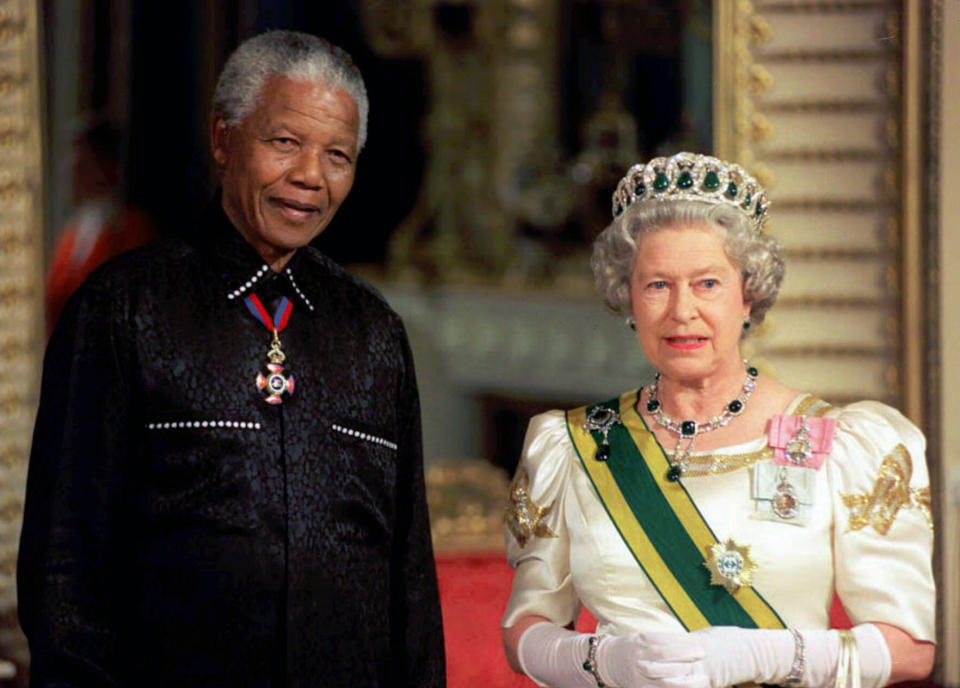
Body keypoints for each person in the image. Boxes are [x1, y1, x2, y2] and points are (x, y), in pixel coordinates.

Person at [19, 30, 444, 686]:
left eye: (337, 154)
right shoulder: (122, 307)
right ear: (223, 140)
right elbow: (64, 569)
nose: (310, 176)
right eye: (284, 142)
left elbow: (410, 583)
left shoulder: (374, 331)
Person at [501, 152, 935, 688]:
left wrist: (761, 655)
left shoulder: (843, 442)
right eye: (657, 284)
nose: (682, 311)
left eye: (707, 283)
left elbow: (910, 649)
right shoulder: (573, 446)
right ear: (628, 298)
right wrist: (602, 662)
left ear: (748, 295)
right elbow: (525, 630)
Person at [45, 119, 153, 335]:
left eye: (85, 164)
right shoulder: (71, 235)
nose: (74, 173)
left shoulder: (132, 229)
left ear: (107, 165)